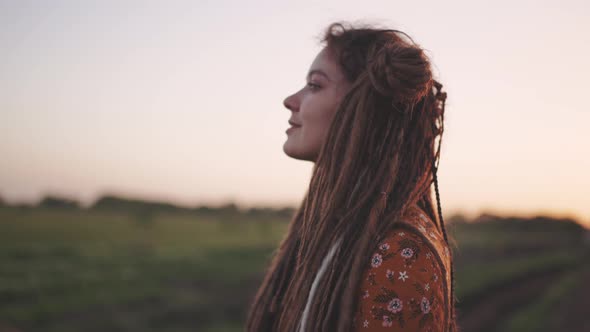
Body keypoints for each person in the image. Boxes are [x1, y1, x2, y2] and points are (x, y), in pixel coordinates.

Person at [246, 21, 459, 332]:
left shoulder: (399, 254)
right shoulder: (342, 230)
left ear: (365, 108)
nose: (290, 99)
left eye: (315, 85)